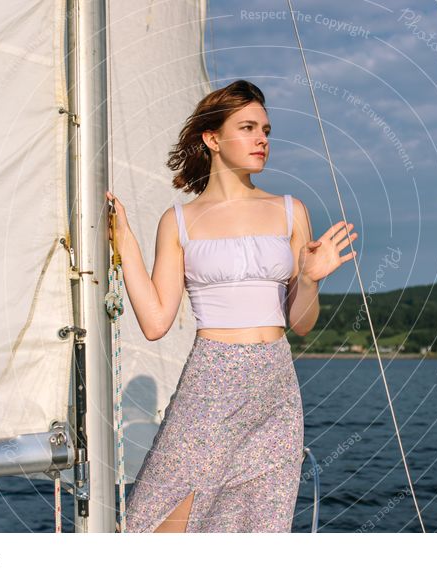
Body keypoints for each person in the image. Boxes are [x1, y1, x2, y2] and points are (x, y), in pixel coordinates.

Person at [106, 79, 357, 532]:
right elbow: (156, 320)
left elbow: (301, 324)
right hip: (211, 381)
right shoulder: (178, 220)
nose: (262, 138)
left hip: (275, 386)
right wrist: (124, 242)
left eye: (266, 129)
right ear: (213, 138)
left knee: (256, 530)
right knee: (158, 524)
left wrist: (307, 278)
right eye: (247, 127)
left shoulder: (290, 210)